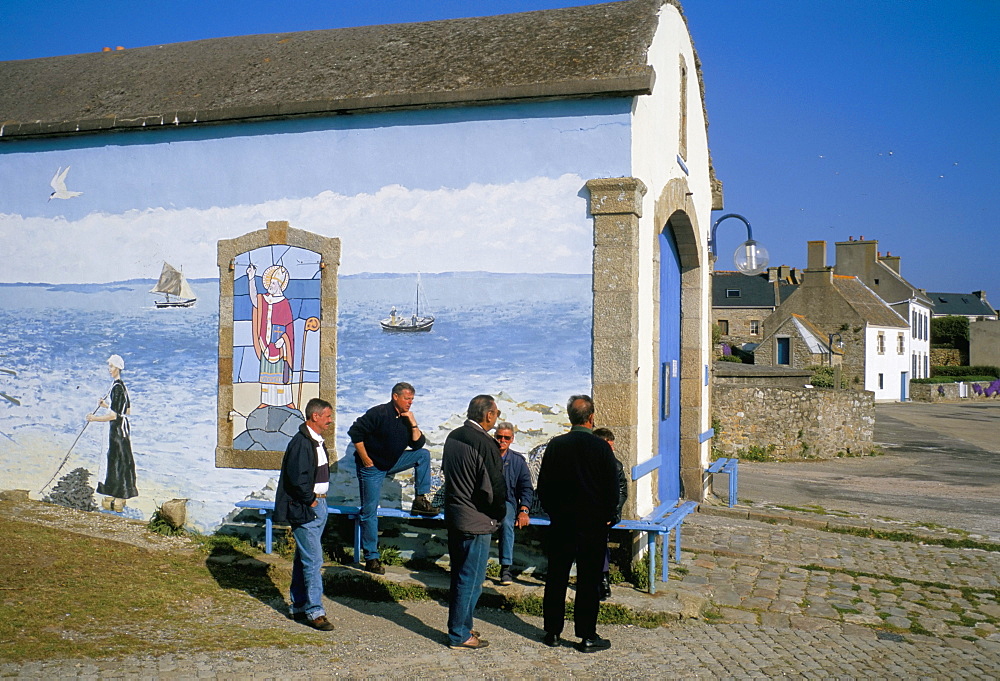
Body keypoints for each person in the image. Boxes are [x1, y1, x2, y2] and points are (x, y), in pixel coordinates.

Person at [536, 395, 618, 652]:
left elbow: (544, 487)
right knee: (588, 580)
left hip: (562, 523)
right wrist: (608, 515)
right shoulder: (601, 448)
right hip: (592, 524)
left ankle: (552, 632)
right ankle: (586, 635)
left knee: (557, 577)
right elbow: (612, 490)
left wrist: (554, 512)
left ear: (570, 418)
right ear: (592, 418)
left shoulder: (556, 445)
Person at [348, 382, 439, 575]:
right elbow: (355, 432)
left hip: (391, 462)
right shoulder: (379, 413)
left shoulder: (406, 418)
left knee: (422, 454)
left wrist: (413, 422)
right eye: (407, 398)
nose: (410, 403)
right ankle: (371, 557)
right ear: (395, 397)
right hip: (371, 468)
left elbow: (417, 444)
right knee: (369, 511)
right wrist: (365, 458)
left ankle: (420, 499)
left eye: (412, 399)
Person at [442, 394, 506, 650]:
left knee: (459, 574)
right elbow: (493, 489)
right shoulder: (484, 443)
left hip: (456, 514)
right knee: (471, 579)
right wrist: (499, 514)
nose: (497, 417)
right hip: (476, 520)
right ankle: (459, 633)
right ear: (488, 415)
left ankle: (462, 625)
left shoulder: (453, 436)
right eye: (496, 413)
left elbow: (449, 472)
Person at [273, 398, 335, 631]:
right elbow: (296, 479)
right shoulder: (302, 442)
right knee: (313, 559)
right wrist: (310, 501)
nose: (330, 421)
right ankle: (315, 611)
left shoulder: (316, 441)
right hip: (308, 507)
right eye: (327, 416)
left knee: (304, 557)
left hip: (318, 505)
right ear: (315, 417)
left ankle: (299, 605)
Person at [87, 354, 137, 512]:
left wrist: (94, 418)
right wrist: (105, 405)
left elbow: (115, 415)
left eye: (111, 366)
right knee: (118, 460)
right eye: (109, 366)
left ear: (118, 368)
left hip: (116, 431)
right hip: (121, 430)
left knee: (116, 461)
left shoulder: (117, 387)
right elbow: (125, 410)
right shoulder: (120, 386)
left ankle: (118, 496)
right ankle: (115, 495)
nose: (109, 369)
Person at [246, 263, 295, 410]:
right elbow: (254, 299)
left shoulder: (285, 303)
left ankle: (286, 400)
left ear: (279, 285)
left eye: (273, 283)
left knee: (281, 372)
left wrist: (283, 340)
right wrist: (251, 278)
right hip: (265, 342)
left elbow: (289, 327)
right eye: (269, 283)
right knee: (267, 373)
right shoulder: (264, 299)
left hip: (279, 344)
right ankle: (266, 400)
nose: (269, 286)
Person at [493, 421, 534, 586]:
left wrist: (524, 510)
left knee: (506, 523)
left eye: (506, 438)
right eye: (499, 437)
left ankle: (506, 568)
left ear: (512, 439)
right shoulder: (485, 456)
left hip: (507, 501)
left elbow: (526, 488)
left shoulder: (518, 461)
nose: (502, 440)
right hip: (485, 501)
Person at [592, 427, 628, 601]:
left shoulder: (616, 465)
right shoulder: (584, 464)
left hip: (605, 514)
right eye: (609, 446)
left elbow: (622, 492)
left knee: (600, 543)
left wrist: (612, 513)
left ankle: (603, 579)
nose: (612, 450)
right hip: (584, 512)